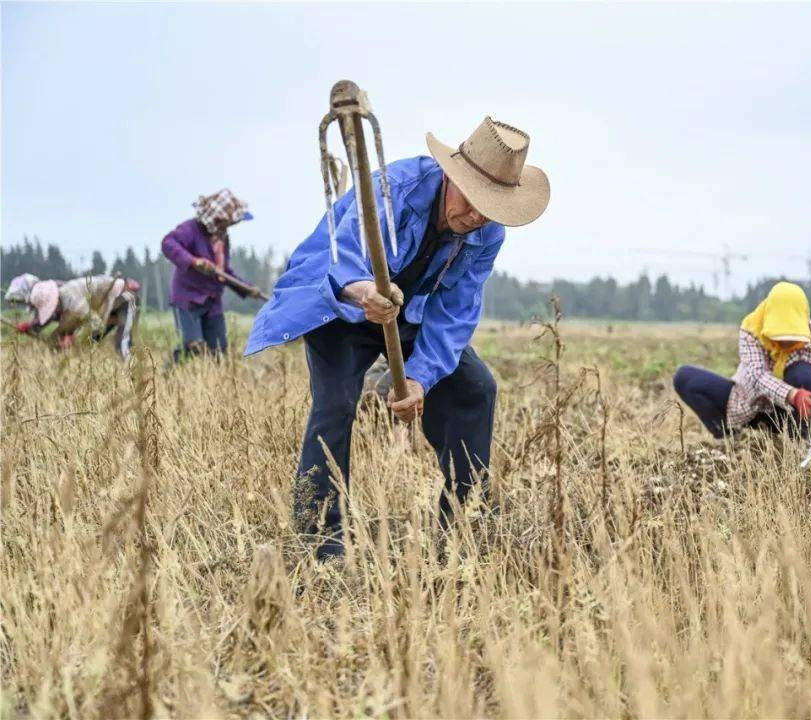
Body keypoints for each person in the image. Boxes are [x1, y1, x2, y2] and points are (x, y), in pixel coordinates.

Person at [245, 116, 550, 558]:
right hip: (342, 304)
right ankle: (319, 537)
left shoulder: (487, 233)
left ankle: (465, 517)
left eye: (491, 206)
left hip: (410, 312)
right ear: (450, 175)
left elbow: (455, 311)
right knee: (335, 405)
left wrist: (421, 379)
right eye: (472, 199)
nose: (476, 215)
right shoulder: (393, 189)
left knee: (475, 388)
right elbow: (341, 254)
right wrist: (364, 290)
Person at [673, 281, 811, 438]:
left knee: (803, 373)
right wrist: (793, 395)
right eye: (780, 336)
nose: (786, 341)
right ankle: (730, 438)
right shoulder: (752, 331)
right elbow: (758, 377)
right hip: (748, 404)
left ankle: (800, 440)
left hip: (788, 414)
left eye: (792, 336)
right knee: (684, 377)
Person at [162, 189, 262, 359]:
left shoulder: (222, 238)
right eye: (231, 221)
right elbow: (168, 244)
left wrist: (247, 289)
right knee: (191, 346)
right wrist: (194, 261)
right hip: (188, 299)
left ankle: (216, 383)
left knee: (219, 349)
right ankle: (168, 379)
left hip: (212, 302)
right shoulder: (190, 229)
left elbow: (223, 272)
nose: (233, 224)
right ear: (219, 218)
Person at [5, 273, 140, 358]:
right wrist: (30, 327)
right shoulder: (60, 298)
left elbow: (96, 323)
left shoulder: (73, 300)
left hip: (124, 299)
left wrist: (72, 337)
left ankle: (134, 379)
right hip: (104, 310)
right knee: (85, 345)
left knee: (122, 343)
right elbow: (52, 318)